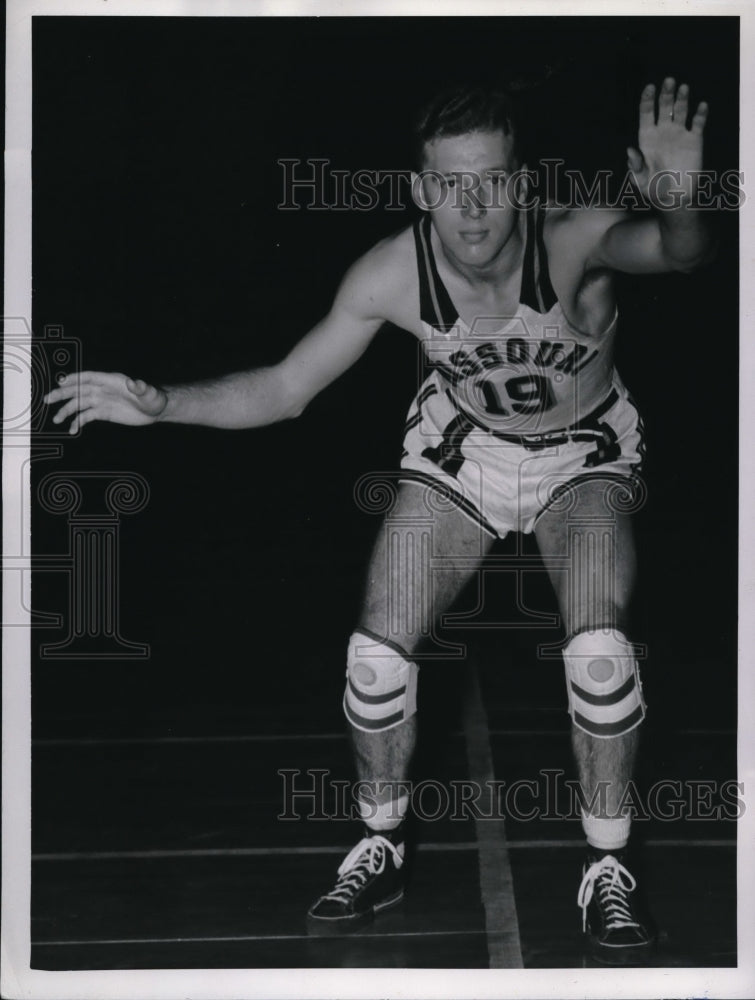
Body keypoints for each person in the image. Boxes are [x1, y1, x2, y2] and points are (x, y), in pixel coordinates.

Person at [44, 77, 712, 963]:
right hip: (462, 455)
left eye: (490, 181)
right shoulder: (390, 273)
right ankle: (382, 840)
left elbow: (679, 254)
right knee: (374, 657)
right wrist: (161, 404)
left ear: (520, 182)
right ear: (417, 188)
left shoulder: (572, 238)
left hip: (581, 456)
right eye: (447, 183)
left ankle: (606, 865)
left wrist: (680, 202)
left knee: (598, 654)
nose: (470, 206)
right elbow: (285, 390)